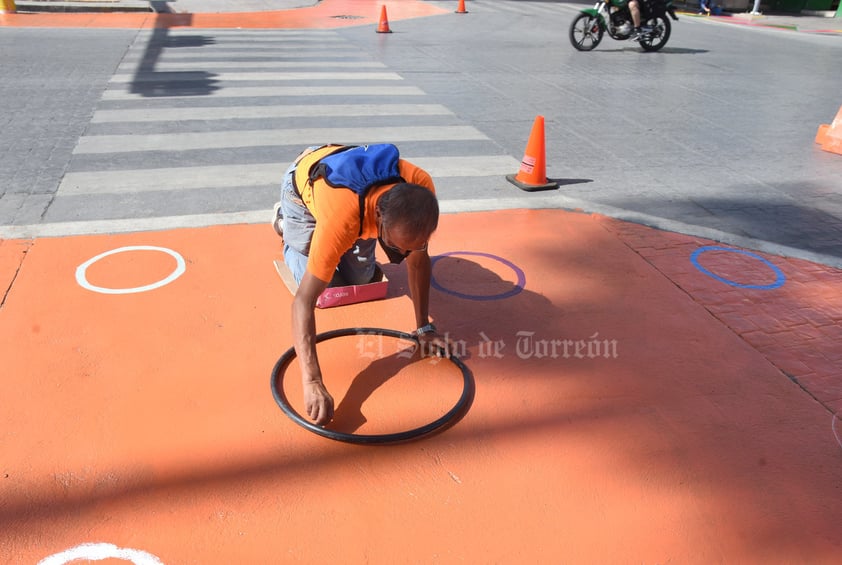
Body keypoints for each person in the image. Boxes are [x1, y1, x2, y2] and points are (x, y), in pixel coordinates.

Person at [272, 143, 450, 426]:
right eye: (396, 246)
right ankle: (285, 225)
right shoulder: (341, 219)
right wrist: (312, 381)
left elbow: (418, 259)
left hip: (360, 205)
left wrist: (424, 327)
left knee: (361, 281)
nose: (404, 255)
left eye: (410, 247)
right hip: (305, 190)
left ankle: (343, 247)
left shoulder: (421, 188)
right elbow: (302, 302)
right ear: (378, 217)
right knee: (325, 286)